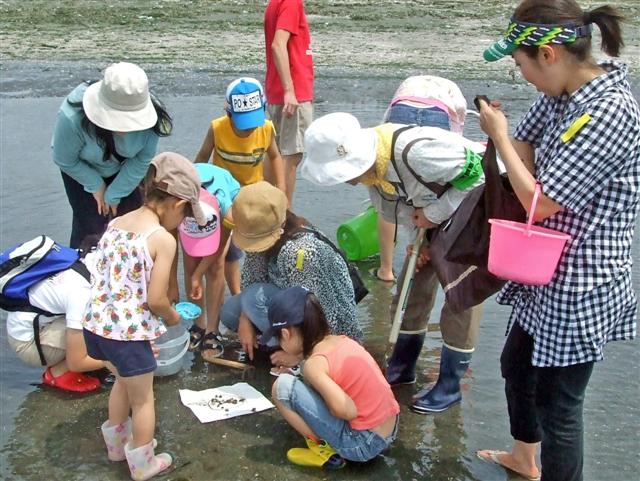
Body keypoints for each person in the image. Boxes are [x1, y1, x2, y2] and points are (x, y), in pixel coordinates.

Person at [475, 2, 639, 481]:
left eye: (520, 64)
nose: (522, 76)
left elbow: (541, 202)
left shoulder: (609, 111)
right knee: (517, 366)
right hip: (542, 267)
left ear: (548, 54)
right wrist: (508, 142)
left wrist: (499, 138)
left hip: (582, 280)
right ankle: (525, 459)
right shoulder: (561, 92)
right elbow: (525, 144)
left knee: (559, 406)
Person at [300, 111, 484, 413]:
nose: (346, 182)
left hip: (475, 213)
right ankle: (402, 366)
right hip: (435, 221)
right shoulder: (374, 174)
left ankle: (450, 385)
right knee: (412, 288)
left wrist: (433, 215)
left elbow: (477, 175)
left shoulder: (415, 152)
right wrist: (419, 244)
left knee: (459, 295)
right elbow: (403, 210)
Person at [83, 152, 207, 480]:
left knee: (123, 381)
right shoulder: (161, 239)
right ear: (178, 204)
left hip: (96, 327)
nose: (182, 223)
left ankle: (115, 448)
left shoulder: (116, 223)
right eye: (185, 215)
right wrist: (172, 317)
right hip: (126, 334)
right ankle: (143, 464)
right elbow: (156, 299)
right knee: (143, 400)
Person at [220, 181, 362, 370]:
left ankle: (296, 350)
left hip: (328, 325)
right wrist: (245, 321)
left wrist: (299, 356)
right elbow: (252, 279)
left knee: (254, 297)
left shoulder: (300, 252)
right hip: (287, 301)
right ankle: (277, 342)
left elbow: (317, 311)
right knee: (231, 311)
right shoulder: (261, 231)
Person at [270, 286, 399, 468]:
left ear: (286, 334)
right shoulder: (342, 341)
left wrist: (323, 406)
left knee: (281, 387)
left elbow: (347, 411)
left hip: (362, 444)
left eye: (279, 339)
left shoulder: (314, 365)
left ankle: (324, 451)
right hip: (389, 430)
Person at [52, 61, 173, 249]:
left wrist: (115, 194)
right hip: (81, 169)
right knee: (90, 227)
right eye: (118, 119)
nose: (124, 127)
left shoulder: (153, 116)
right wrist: (96, 184)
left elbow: (142, 159)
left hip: (127, 169)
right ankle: (82, 264)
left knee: (130, 225)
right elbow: (64, 159)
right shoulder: (72, 116)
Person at [370, 75, 469, 283]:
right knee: (434, 190)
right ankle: (422, 250)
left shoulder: (410, 84)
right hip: (438, 112)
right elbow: (451, 176)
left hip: (402, 108)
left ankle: (386, 270)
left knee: (388, 185)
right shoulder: (454, 96)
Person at [195, 77, 285, 296]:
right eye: (243, 123)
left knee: (257, 246)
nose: (249, 129)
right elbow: (202, 158)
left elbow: (275, 156)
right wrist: (195, 188)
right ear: (229, 114)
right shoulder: (217, 128)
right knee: (226, 253)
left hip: (252, 198)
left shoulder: (266, 128)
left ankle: (252, 290)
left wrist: (281, 190)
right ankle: (234, 294)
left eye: (253, 122)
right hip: (223, 197)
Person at [5, 249, 104, 393]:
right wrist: (121, 359)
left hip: (24, 326)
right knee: (103, 326)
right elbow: (76, 362)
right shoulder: (83, 293)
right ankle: (59, 372)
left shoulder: (83, 259)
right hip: (30, 345)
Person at [180, 163, 238, 361]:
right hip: (189, 199)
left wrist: (199, 274)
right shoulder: (175, 202)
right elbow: (170, 247)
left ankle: (212, 330)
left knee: (215, 268)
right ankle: (199, 324)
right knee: (190, 264)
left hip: (219, 205)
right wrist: (173, 284)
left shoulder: (227, 210)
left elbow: (218, 250)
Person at [264, 0, 314, 204]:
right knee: (291, 155)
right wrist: (289, 90)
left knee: (275, 153)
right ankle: (283, 213)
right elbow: (278, 45)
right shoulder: (291, 2)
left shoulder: (276, 3)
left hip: (277, 89)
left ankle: (265, 208)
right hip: (293, 92)